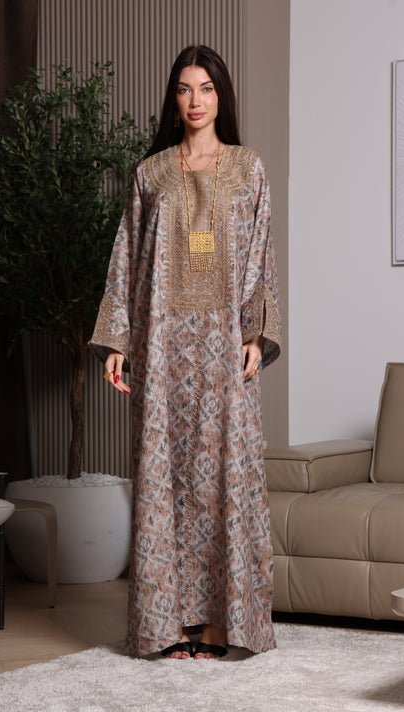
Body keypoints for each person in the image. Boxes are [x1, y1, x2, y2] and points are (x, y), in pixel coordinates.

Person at [90, 45, 281, 660]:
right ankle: (167, 627)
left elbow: (261, 259)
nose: (195, 100)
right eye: (184, 89)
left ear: (221, 96)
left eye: (206, 88)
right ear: (172, 100)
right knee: (165, 478)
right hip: (164, 347)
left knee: (227, 476)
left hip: (224, 348)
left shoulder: (248, 168)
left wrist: (255, 334)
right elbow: (125, 261)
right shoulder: (150, 174)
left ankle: (224, 625)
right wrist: (118, 341)